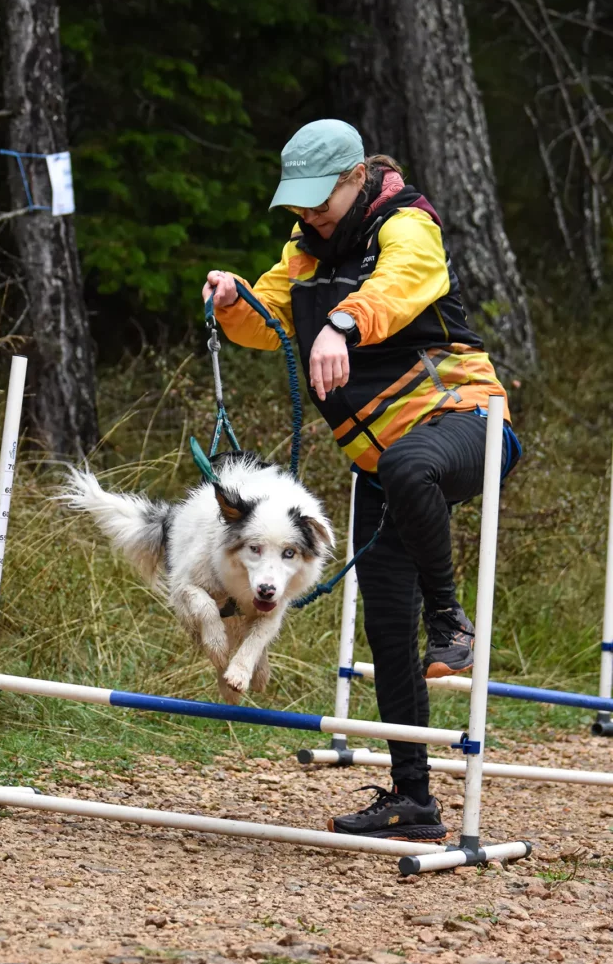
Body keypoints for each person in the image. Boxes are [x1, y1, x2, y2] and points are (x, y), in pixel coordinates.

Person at [202, 119, 520, 841]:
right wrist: (234, 299)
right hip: (382, 466)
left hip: (466, 420)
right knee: (383, 623)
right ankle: (413, 800)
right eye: (300, 203)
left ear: (356, 178)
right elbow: (268, 322)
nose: (310, 214)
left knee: (407, 462)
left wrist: (342, 323)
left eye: (322, 199)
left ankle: (452, 622)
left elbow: (402, 285)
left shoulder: (408, 226)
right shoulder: (304, 254)